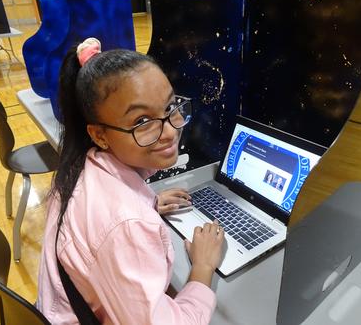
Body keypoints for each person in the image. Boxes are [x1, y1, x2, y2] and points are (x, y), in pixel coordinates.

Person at [37, 38, 225, 324]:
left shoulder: (81, 165)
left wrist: (147, 202)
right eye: (141, 122)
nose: (169, 132)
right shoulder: (125, 223)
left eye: (170, 107)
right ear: (99, 135)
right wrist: (203, 266)